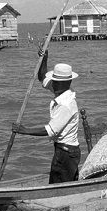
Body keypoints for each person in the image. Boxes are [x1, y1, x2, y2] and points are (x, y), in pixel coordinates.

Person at [12, 51, 81, 184]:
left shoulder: (66, 104)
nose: (52, 84)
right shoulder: (61, 90)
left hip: (66, 153)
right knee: (60, 183)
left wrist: (24, 130)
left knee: (59, 186)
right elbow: (42, 78)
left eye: (55, 82)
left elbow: (50, 130)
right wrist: (44, 58)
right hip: (63, 150)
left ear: (63, 83)